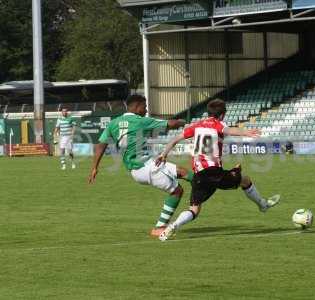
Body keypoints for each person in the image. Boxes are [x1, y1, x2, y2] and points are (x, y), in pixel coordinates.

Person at [155, 99, 280, 241]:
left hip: (199, 175)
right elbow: (229, 130)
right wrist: (247, 133)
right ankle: (263, 205)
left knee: (194, 210)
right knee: (245, 180)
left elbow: (174, 140)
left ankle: (172, 227)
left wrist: (163, 154)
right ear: (222, 115)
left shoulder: (196, 125)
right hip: (214, 173)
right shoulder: (218, 124)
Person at [88, 95, 193, 236]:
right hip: (143, 168)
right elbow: (171, 124)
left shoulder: (113, 123)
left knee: (185, 173)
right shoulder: (141, 121)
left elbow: (101, 145)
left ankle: (203, 192)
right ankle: (159, 227)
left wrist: (95, 167)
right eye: (144, 106)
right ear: (136, 107)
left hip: (146, 164)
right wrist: (183, 122)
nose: (146, 109)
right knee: (177, 191)